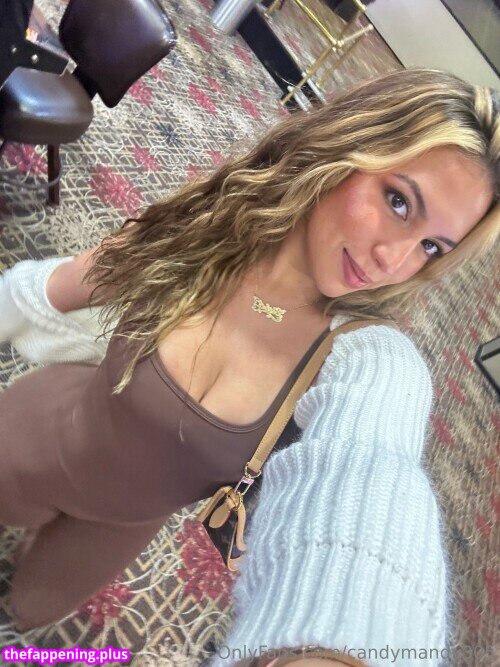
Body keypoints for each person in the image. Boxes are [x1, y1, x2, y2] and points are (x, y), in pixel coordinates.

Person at [0, 68, 498, 666]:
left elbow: (374, 466)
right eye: (398, 202)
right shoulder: (213, 223)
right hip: (36, 436)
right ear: (348, 146)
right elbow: (59, 286)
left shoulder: (357, 357)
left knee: (28, 612)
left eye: (431, 247)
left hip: (120, 526)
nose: (394, 261)